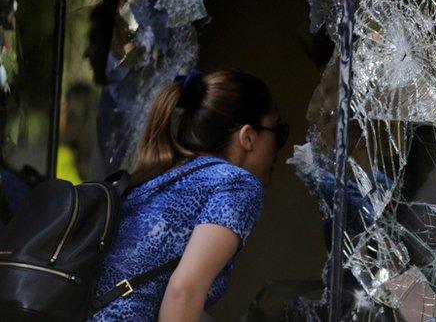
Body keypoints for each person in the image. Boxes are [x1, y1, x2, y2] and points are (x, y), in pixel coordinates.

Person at [90, 69, 289, 321]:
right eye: (279, 133)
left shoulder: (167, 174)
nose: (279, 149)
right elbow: (184, 291)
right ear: (248, 137)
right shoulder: (237, 183)